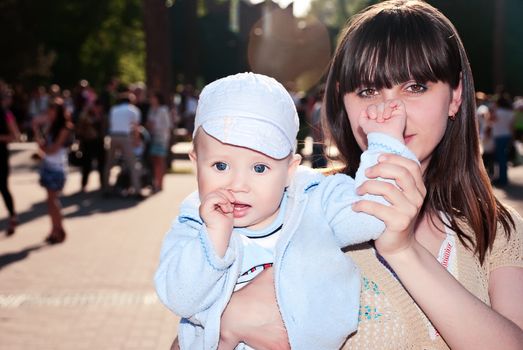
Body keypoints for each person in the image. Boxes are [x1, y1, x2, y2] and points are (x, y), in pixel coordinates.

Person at [216, 1, 523, 349]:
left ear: (455, 97)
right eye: (368, 91)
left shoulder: (497, 229)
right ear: (343, 103)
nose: (389, 109)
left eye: (415, 87)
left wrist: (402, 249)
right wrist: (224, 320)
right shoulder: (298, 207)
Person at [155, 72, 417, 349]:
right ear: (196, 162)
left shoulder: (314, 202)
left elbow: (371, 216)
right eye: (220, 166)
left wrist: (384, 143)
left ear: (291, 169)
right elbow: (179, 297)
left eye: (259, 168)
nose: (238, 184)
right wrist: (213, 240)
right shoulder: (193, 224)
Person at [32, 97, 73, 244]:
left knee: (52, 200)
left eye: (52, 110)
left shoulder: (64, 127)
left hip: (57, 168)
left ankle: (59, 229)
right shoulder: (51, 126)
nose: (49, 113)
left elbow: (53, 149)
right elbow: (44, 145)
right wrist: (36, 131)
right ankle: (54, 229)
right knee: (50, 201)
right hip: (48, 166)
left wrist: (44, 149)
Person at [102, 92, 142, 198]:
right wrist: (137, 140)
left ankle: (106, 188)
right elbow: (136, 127)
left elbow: (111, 124)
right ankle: (137, 190)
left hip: (113, 136)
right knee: (132, 164)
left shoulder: (114, 109)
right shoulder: (133, 110)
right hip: (125, 136)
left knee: (109, 164)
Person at [0, 91, 21, 235]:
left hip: (1, 155)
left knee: (3, 187)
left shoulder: (6, 114)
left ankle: (13, 216)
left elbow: (15, 136)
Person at [76, 99, 107, 192]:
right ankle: (84, 184)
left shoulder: (103, 116)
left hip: (100, 141)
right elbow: (79, 129)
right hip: (87, 141)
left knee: (101, 164)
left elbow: (105, 128)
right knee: (86, 164)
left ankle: (103, 183)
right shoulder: (85, 115)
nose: (98, 109)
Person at [146, 92, 172, 192]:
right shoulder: (151, 110)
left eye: (153, 98)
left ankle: (160, 184)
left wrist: (155, 126)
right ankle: (156, 182)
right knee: (155, 161)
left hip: (161, 138)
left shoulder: (163, 110)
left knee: (160, 161)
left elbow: (167, 125)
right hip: (152, 137)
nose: (151, 100)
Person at [491, 93, 515, 186]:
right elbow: (512, 127)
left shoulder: (497, 112)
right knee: (503, 158)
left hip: (498, 136)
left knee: (500, 158)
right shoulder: (510, 112)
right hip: (507, 136)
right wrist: (512, 139)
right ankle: (503, 177)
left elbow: (490, 120)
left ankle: (502, 178)